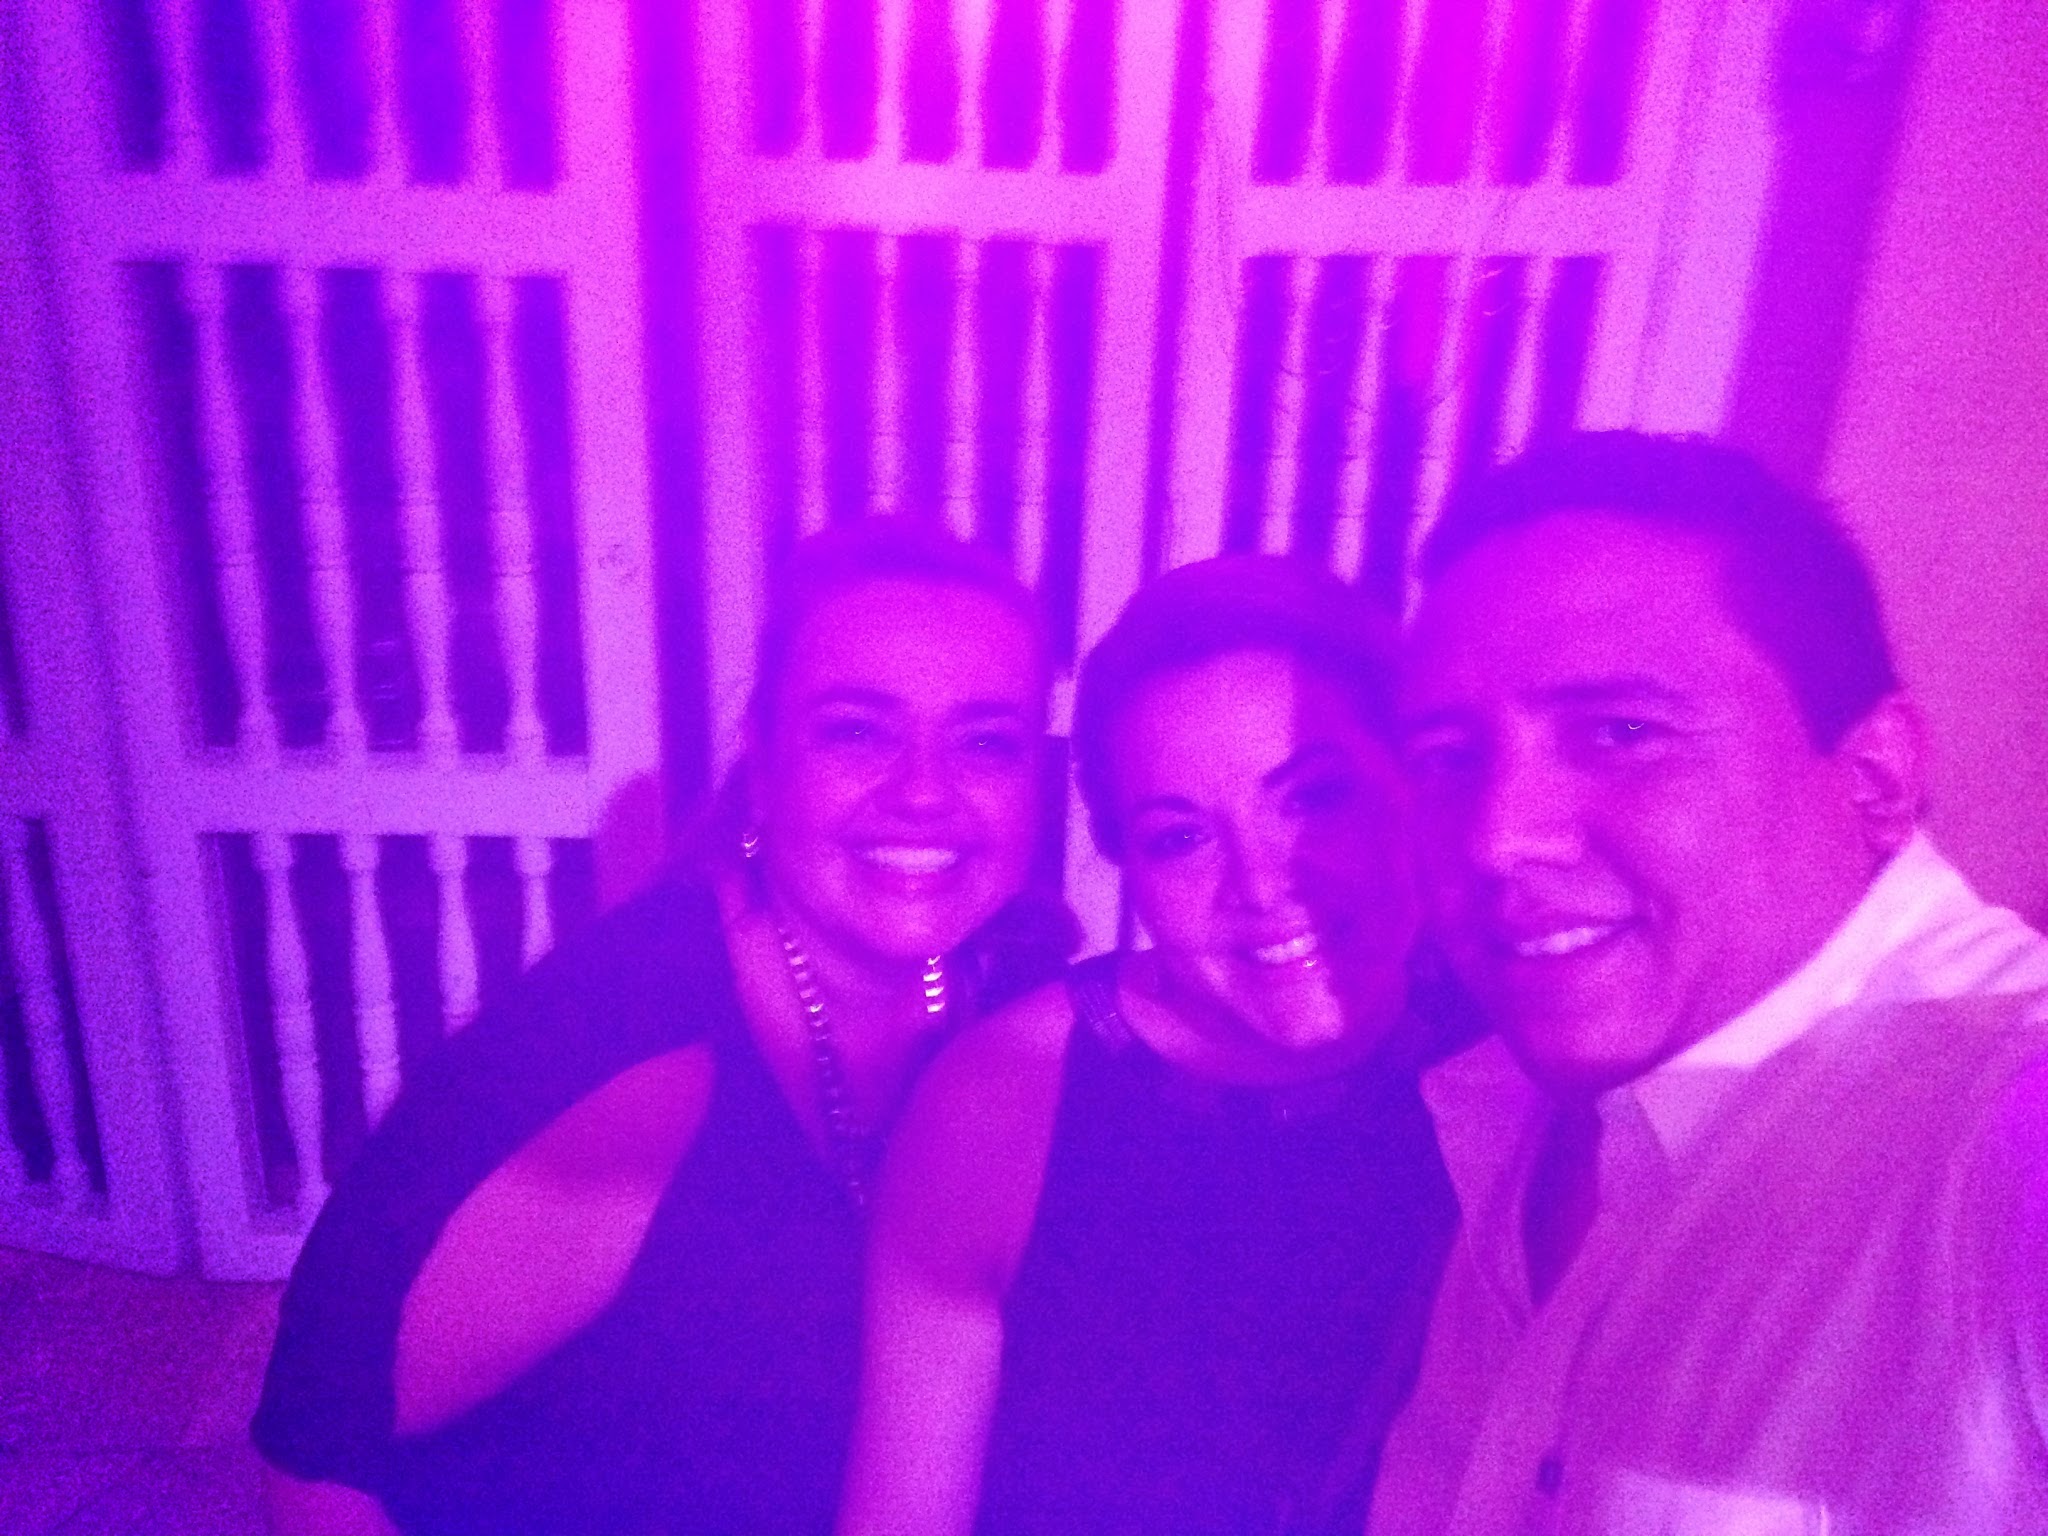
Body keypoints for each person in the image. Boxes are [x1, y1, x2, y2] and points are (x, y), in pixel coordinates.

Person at [253, 520, 1072, 1535]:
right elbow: (317, 1447)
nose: (923, 792)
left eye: (986, 742)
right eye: (857, 731)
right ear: (761, 765)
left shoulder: (1000, 977)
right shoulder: (634, 1062)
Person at [1369, 430, 2048, 1536]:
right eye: (1448, 758)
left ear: (1875, 777)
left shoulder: (1989, 1117)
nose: (1496, 838)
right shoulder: (1500, 1109)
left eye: (1620, 733)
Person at [838, 556, 1464, 1536]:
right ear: (1126, 864)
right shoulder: (1004, 1101)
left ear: (1409, 780)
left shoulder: (1520, 1060)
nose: (1262, 884)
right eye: (1181, 839)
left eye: (1311, 798)